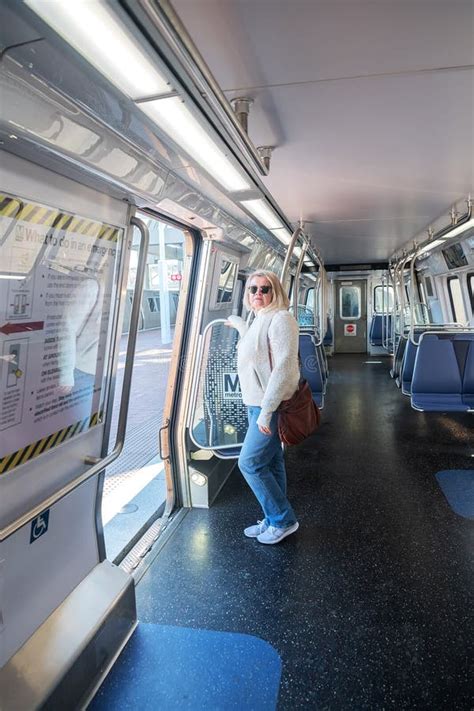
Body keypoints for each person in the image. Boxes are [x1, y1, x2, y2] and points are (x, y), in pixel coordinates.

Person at [227, 270, 300, 544]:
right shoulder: (260, 318)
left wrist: (268, 412)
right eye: (253, 288)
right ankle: (273, 520)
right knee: (271, 461)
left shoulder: (281, 318)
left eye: (265, 289)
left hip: (270, 406)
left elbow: (283, 369)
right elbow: (257, 352)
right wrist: (241, 326)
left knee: (250, 463)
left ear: (276, 292)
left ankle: (283, 519)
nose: (258, 293)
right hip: (256, 404)